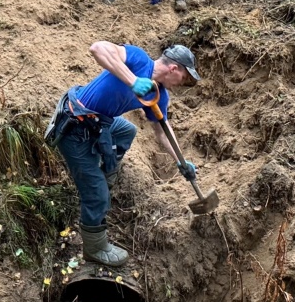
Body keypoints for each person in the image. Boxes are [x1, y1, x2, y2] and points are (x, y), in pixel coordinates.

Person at [44, 42, 201, 267]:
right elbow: (97, 49)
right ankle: (94, 248)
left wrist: (181, 161)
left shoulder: (159, 95)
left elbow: (162, 130)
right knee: (97, 197)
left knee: (126, 130)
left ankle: (106, 173)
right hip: (75, 127)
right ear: (174, 69)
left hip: (100, 123)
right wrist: (132, 80)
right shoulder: (138, 60)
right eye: (185, 77)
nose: (184, 83)